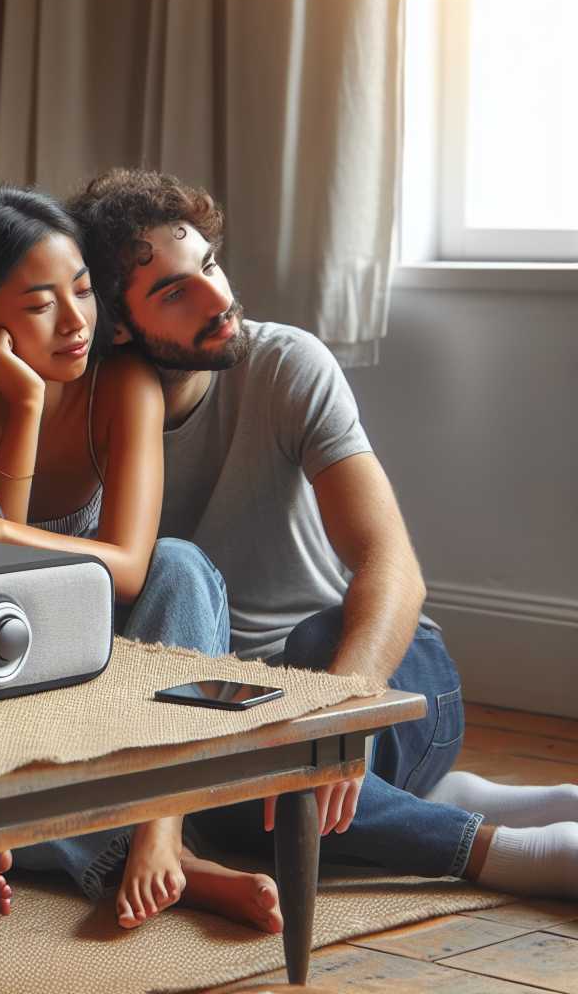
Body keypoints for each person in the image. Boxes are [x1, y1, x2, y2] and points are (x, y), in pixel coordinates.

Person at [67, 166, 577, 902]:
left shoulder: (284, 363)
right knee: (228, 783)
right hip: (221, 713)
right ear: (116, 323)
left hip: (370, 677)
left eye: (208, 265)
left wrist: (340, 712)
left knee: (267, 752)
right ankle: (457, 814)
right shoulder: (82, 412)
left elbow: (392, 565)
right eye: (175, 292)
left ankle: (526, 850)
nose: (219, 298)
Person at [0, 187, 270, 931]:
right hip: (11, 674)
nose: (76, 323)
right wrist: (24, 409)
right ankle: (164, 861)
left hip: (116, 658)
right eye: (38, 306)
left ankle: (158, 826)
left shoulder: (124, 382)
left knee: (180, 565)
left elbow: (126, 568)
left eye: (84, 292)